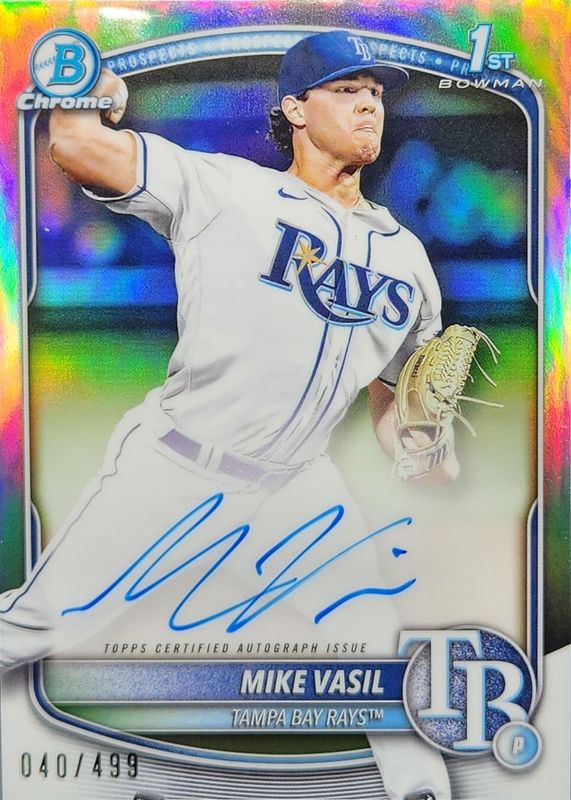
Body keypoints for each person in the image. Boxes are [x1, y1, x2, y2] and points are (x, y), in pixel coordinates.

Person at [0, 30, 457, 800]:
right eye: (347, 90)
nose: (368, 106)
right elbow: (75, 145)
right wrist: (93, 91)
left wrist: (421, 448)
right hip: (177, 468)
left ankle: (423, 793)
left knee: (377, 647)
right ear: (295, 109)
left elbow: (392, 407)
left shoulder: (405, 258)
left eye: (375, 93)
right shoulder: (224, 190)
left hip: (297, 486)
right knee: (43, 624)